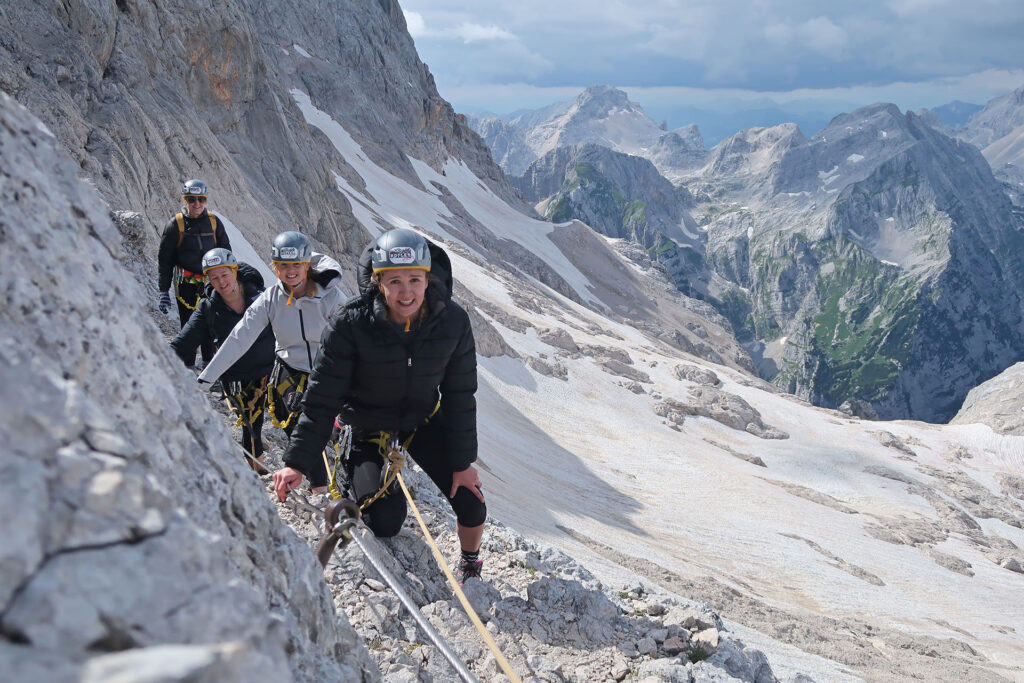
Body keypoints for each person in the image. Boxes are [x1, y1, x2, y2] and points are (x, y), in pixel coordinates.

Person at [272, 228, 487, 583]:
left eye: (414, 280)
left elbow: (461, 396)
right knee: (386, 520)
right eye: (395, 281)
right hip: (366, 422)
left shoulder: (452, 322)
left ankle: (470, 563)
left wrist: (462, 464)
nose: (406, 292)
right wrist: (297, 462)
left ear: (427, 279)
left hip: (422, 419)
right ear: (378, 282)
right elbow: (322, 399)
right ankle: (348, 472)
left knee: (471, 502)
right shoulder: (350, 324)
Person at [198, 231, 345, 485]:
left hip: (328, 371)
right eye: (283, 265)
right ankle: (319, 487)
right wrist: (204, 381)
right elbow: (239, 338)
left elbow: (352, 338)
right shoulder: (271, 299)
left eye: (296, 265)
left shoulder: (331, 297)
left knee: (321, 432)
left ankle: (324, 486)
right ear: (274, 267)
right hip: (290, 371)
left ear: (307, 265)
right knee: (298, 430)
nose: (290, 272)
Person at [170, 248, 275, 473]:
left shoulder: (262, 297)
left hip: (272, 372)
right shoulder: (208, 309)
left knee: (289, 419)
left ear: (234, 271)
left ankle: (310, 479)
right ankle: (257, 469)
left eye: (224, 274)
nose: (221, 282)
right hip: (238, 378)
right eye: (214, 277)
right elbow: (183, 343)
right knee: (251, 421)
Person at [157, 179, 232, 367]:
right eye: (191, 199)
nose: (196, 203)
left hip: (210, 282)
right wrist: (163, 290)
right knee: (189, 325)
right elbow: (165, 259)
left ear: (206, 200)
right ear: (185, 200)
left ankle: (209, 365)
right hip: (186, 285)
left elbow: (226, 254)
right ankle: (188, 367)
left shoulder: (214, 223)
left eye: (201, 199)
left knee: (211, 324)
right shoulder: (176, 225)